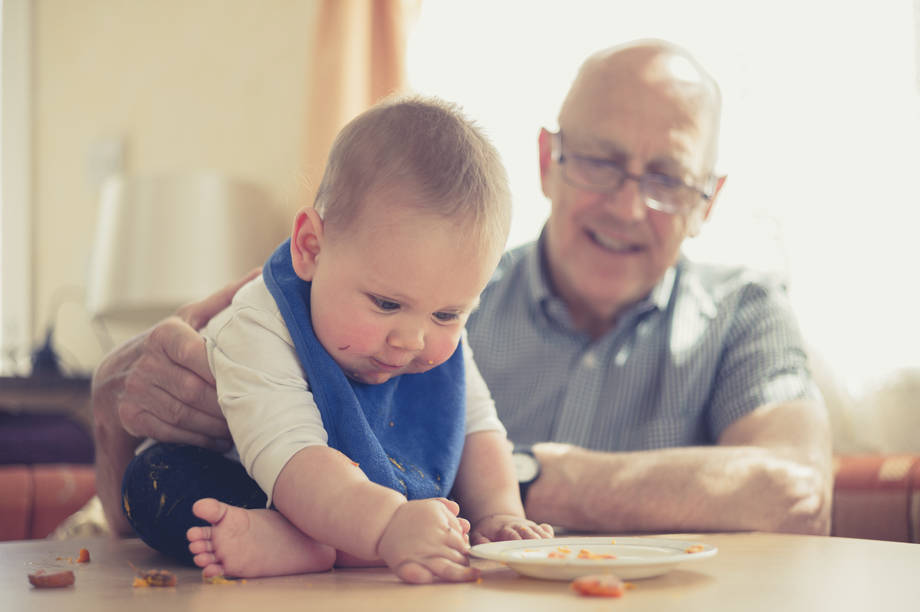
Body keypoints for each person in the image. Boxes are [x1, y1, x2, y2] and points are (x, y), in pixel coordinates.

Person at [92, 39, 832, 543]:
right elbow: (132, 520)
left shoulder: (745, 312)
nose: (628, 206)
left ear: (709, 201)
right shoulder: (414, 278)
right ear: (547, 160)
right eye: (601, 162)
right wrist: (114, 411)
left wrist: (514, 484)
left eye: (667, 178)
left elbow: (795, 492)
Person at [117, 96, 552, 584]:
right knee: (156, 484)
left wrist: (499, 513)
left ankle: (329, 544)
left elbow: (478, 429)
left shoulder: (428, 332)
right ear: (311, 248)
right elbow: (293, 459)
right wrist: (387, 525)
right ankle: (306, 541)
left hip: (365, 506)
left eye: (448, 314)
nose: (411, 340)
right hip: (257, 481)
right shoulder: (259, 326)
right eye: (386, 304)